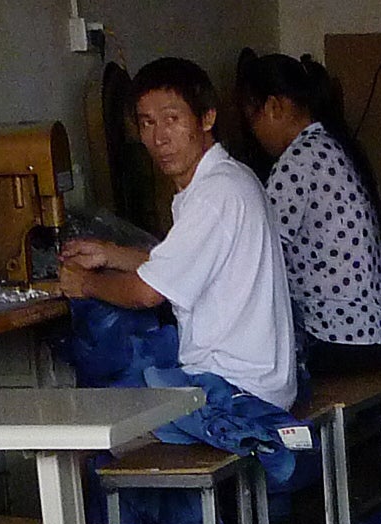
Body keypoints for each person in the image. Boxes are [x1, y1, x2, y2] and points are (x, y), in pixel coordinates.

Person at [58, 57, 299, 412]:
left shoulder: (214, 195)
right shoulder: (228, 179)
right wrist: (109, 254)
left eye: (172, 120)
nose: (159, 138)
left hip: (235, 391)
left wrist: (86, 284)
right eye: (147, 123)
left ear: (206, 118)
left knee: (99, 417)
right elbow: (183, 266)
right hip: (259, 381)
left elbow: (146, 293)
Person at [235, 50, 381, 379]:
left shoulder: (298, 160)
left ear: (274, 107)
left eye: (251, 119)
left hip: (339, 340)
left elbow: (260, 254)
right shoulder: (337, 146)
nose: (253, 133)